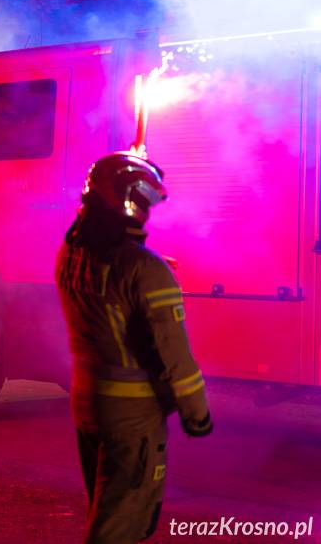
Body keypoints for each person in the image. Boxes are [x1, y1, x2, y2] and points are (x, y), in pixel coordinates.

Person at [55, 152, 213, 543]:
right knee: (119, 525)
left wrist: (149, 264)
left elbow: (111, 281)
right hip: (132, 416)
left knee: (104, 504)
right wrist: (198, 416)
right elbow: (176, 356)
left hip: (88, 404)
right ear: (135, 201)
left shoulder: (71, 253)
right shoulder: (145, 270)